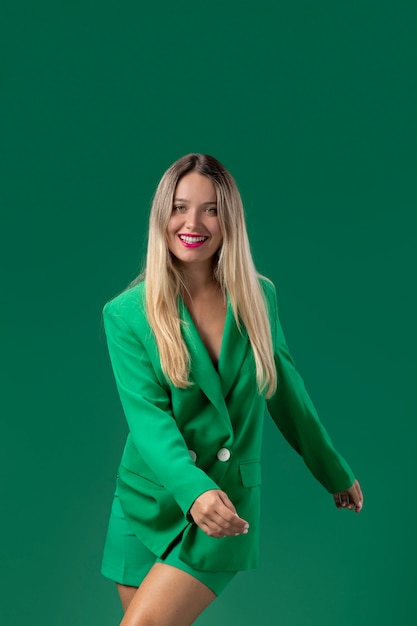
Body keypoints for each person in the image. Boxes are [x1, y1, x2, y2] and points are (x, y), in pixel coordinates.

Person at [100, 153, 363, 626]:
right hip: (146, 504)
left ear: (229, 219)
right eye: (179, 207)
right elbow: (148, 421)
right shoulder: (125, 313)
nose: (193, 222)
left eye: (211, 209)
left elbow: (287, 393)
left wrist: (332, 470)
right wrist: (192, 491)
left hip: (225, 504)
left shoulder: (259, 298)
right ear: (162, 216)